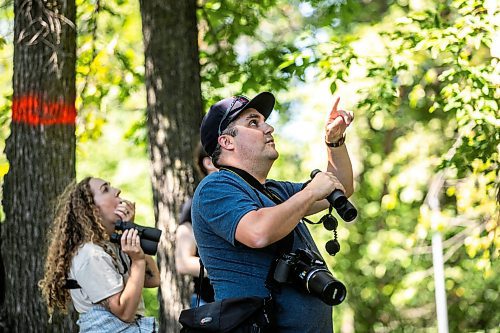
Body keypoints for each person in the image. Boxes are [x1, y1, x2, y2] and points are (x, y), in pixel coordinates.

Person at [191, 92, 354, 333]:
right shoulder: (215, 188)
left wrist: (334, 141)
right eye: (253, 122)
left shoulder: (276, 191)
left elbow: (341, 185)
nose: (269, 128)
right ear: (227, 142)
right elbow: (257, 232)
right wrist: (310, 193)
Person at [39, 177, 160, 332]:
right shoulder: (90, 254)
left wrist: (130, 230)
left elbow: (153, 279)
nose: (117, 191)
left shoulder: (110, 245)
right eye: (105, 189)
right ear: (92, 209)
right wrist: (137, 262)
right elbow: (124, 312)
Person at [175, 143, 216, 307]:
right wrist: (227, 269)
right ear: (209, 163)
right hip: (209, 305)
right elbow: (183, 262)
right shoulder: (194, 206)